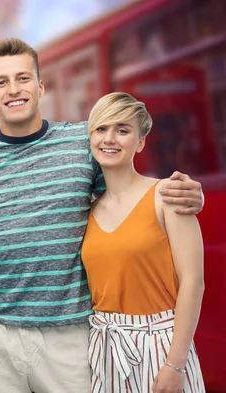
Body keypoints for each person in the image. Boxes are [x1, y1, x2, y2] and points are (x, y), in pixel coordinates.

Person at [0, 38, 205, 393]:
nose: (14, 90)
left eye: (23, 78)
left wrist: (188, 193)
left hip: (70, 334)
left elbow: (129, 186)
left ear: (41, 86)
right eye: (1, 82)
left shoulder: (83, 141)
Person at [82, 92, 205, 393]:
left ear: (139, 142)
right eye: (101, 129)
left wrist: (175, 364)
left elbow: (193, 281)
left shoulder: (167, 194)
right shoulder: (87, 211)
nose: (109, 138)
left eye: (122, 130)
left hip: (162, 345)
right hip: (106, 348)